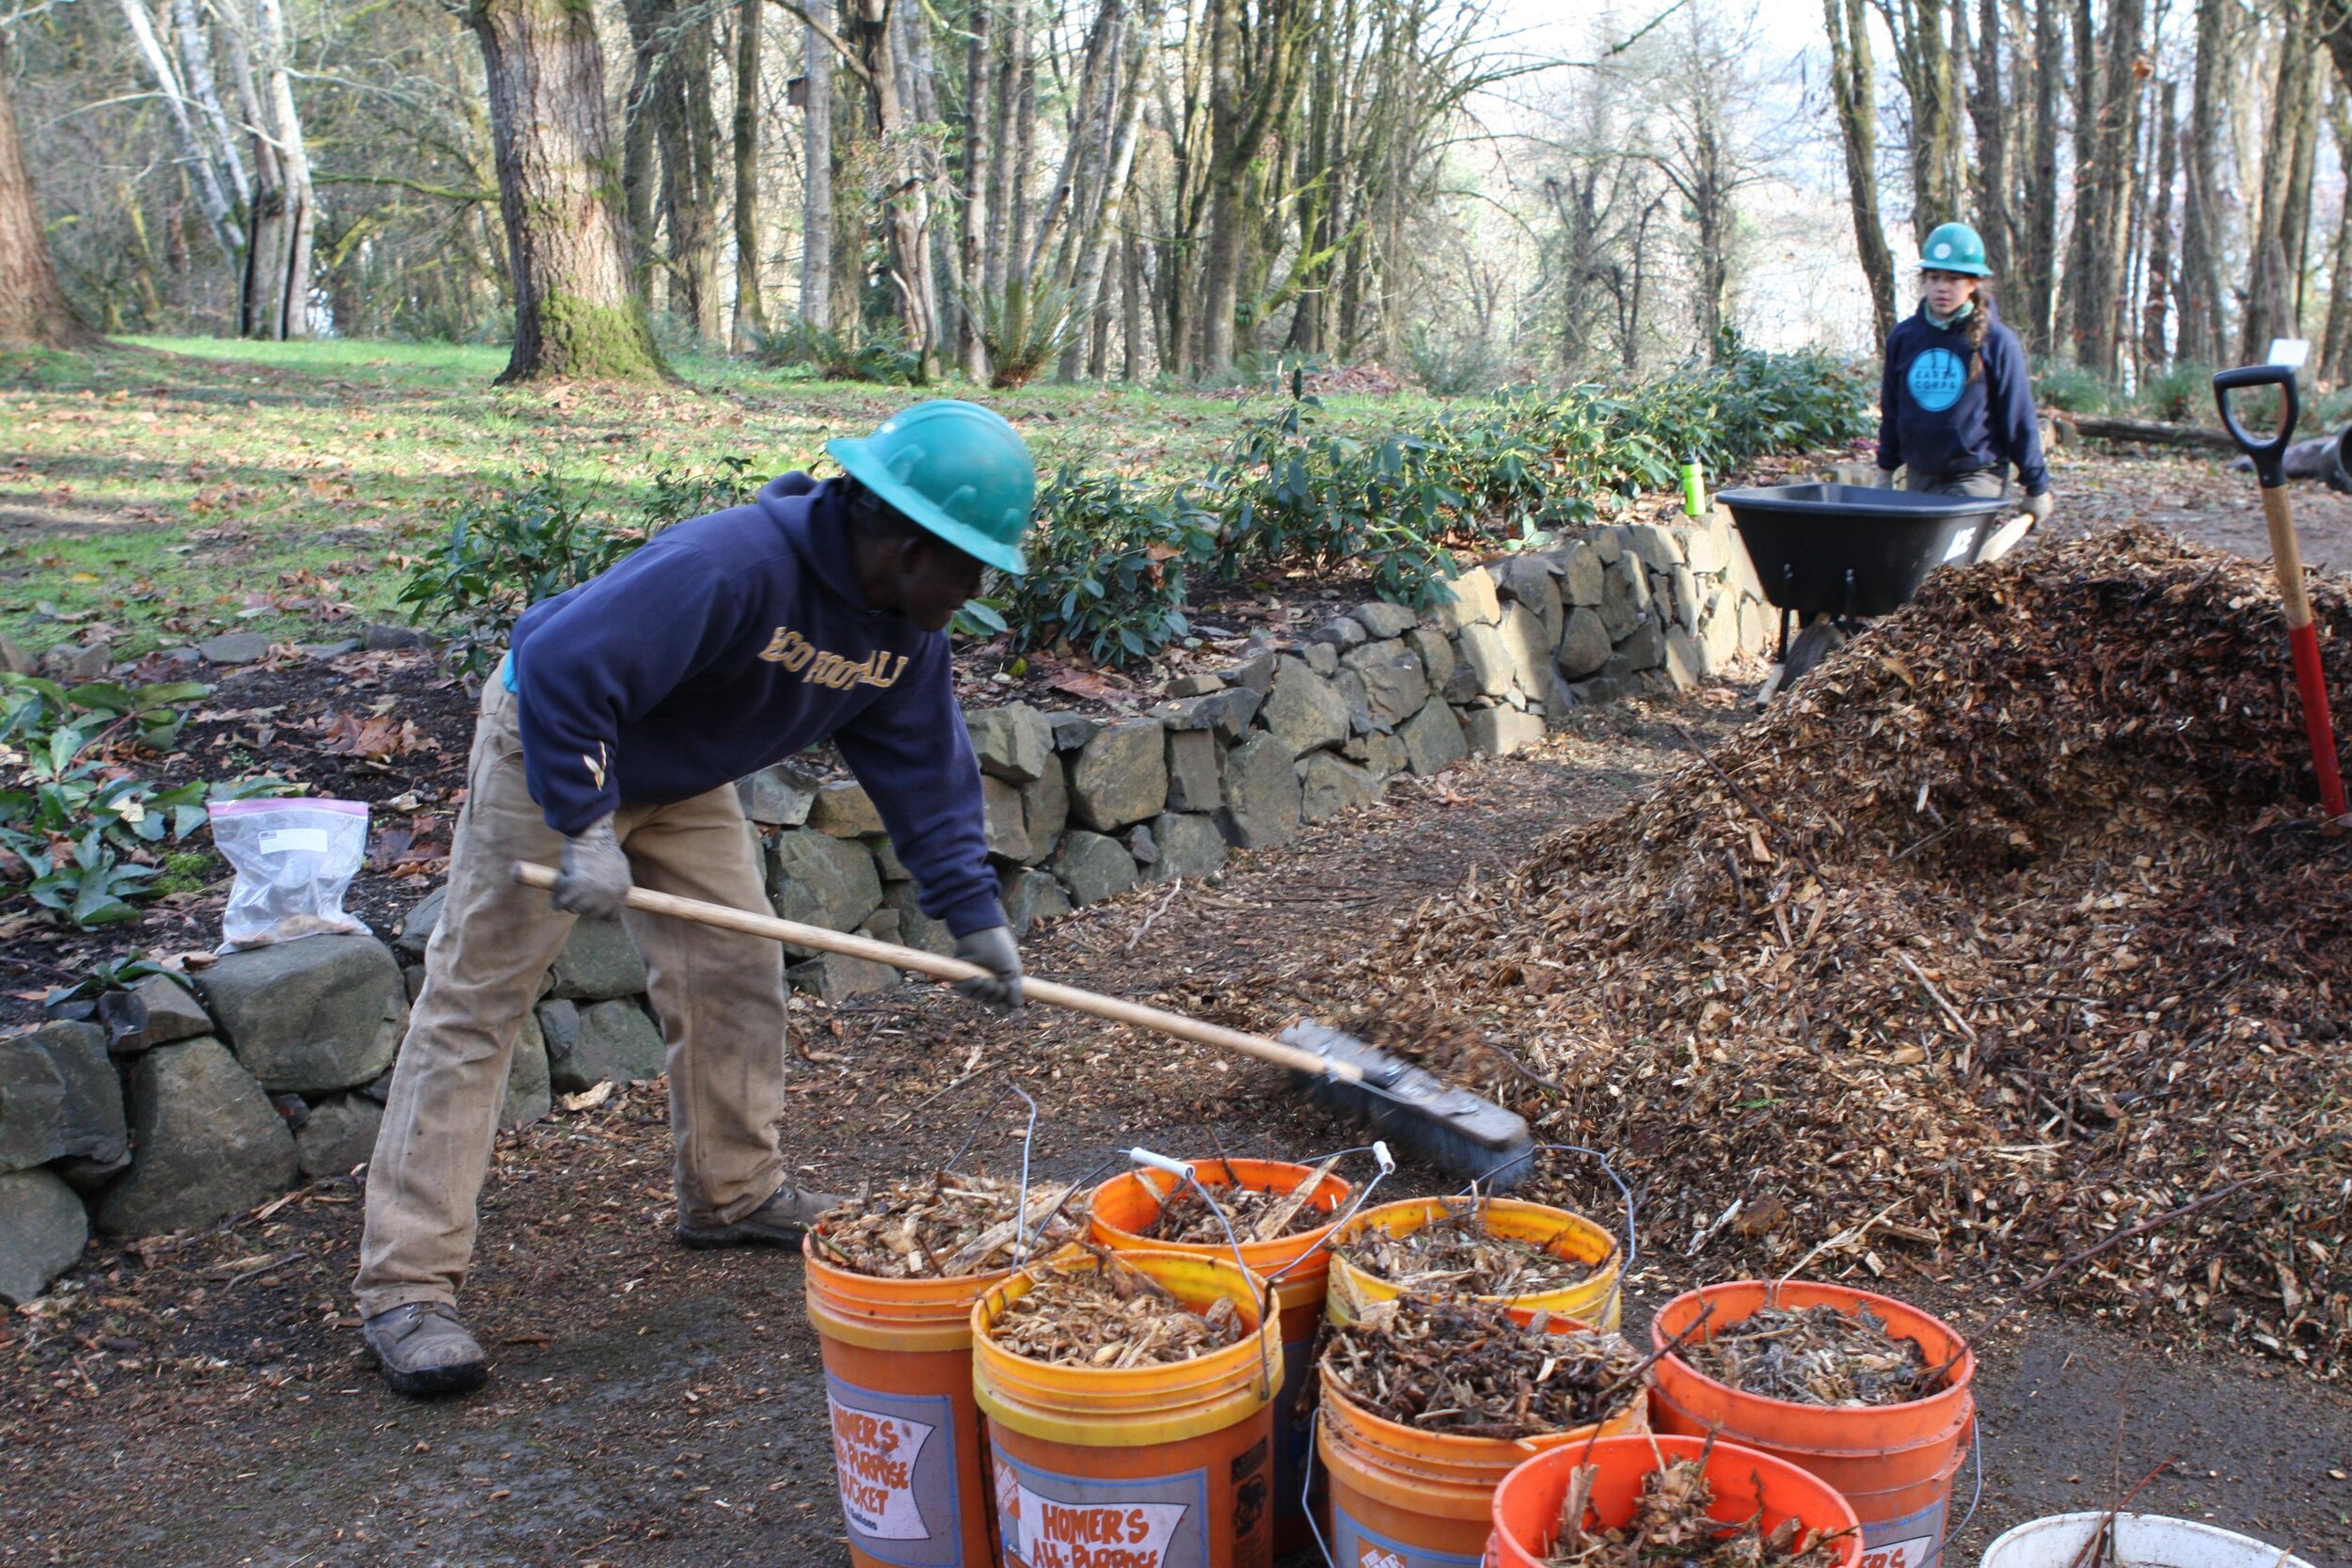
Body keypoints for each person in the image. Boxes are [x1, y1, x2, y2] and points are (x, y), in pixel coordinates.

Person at [354, 400, 1035, 1398]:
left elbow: (926, 771)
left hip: (683, 770)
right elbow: (560, 662)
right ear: (901, 543)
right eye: (968, 565)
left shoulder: (902, 632)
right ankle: (407, 1284)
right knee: (477, 1000)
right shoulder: (734, 563)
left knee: (732, 971)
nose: (976, 590)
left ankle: (733, 1190)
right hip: (557, 739)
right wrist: (584, 822)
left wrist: (974, 918)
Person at [1875, 220, 2055, 528]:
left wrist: (2036, 486)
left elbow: (2018, 418)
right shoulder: (1905, 338)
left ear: (1974, 284)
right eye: (1934, 277)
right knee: (1923, 563)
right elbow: (1892, 410)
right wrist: (1885, 470)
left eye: (1954, 279)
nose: (1942, 287)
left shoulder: (1997, 342)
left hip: (1976, 475)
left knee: (1952, 566)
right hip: (1921, 474)